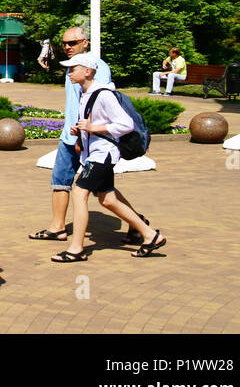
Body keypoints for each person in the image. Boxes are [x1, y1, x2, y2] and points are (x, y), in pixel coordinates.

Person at [29, 25, 144, 243]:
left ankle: (137, 222)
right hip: (69, 135)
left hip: (89, 139)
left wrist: (85, 137)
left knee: (103, 191)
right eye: (64, 43)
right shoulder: (71, 67)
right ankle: (57, 227)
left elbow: (98, 101)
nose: (67, 47)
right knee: (60, 180)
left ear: (85, 42)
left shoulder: (96, 66)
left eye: (72, 43)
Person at [51, 52, 164, 262]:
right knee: (108, 199)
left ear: (87, 72)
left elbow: (125, 124)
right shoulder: (85, 93)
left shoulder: (102, 94)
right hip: (95, 153)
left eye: (72, 69)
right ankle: (149, 234)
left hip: (103, 155)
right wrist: (81, 132)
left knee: (78, 192)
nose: (68, 73)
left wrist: (93, 127)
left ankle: (76, 249)